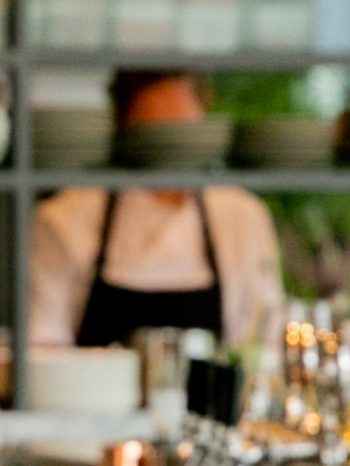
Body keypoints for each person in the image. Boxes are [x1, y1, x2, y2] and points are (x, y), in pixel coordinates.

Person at [27, 72, 285, 349]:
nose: (170, 148)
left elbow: (264, 341)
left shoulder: (242, 217)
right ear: (124, 128)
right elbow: (43, 343)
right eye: (157, 135)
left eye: (181, 133)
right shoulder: (64, 217)